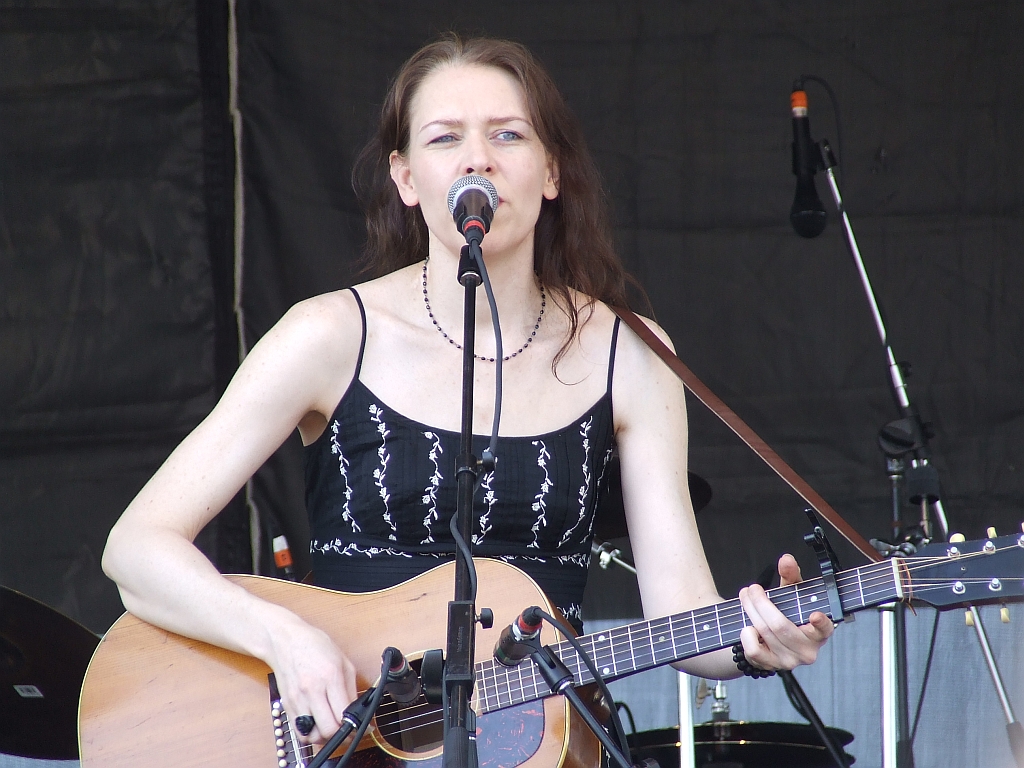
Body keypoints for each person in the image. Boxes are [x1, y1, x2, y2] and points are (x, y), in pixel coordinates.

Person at [102, 34, 833, 748]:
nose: (477, 157)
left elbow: (683, 615)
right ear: (406, 178)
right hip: (344, 743)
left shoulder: (631, 353)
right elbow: (137, 548)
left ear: (551, 171)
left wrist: (754, 642)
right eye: (445, 138)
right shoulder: (328, 335)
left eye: (508, 135)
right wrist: (286, 639)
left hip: (540, 742)